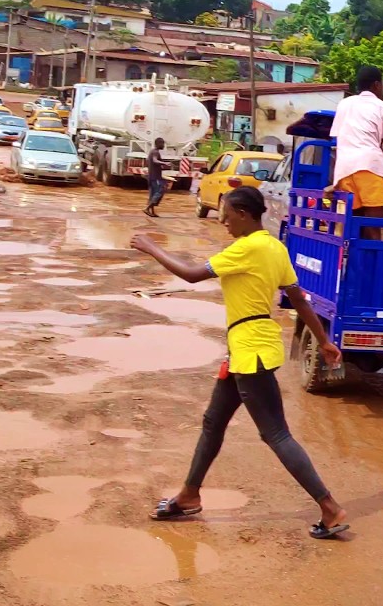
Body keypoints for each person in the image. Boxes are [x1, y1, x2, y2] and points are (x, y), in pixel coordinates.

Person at [130, 187, 350, 538]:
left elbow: (190, 274)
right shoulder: (276, 247)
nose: (223, 223)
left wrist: (151, 246)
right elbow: (298, 298)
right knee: (212, 422)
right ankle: (189, 495)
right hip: (250, 347)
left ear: (245, 215)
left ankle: (330, 508)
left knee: (276, 434)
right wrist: (323, 341)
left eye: (227, 217)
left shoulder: (246, 248)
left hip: (251, 352)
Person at [329, 65, 383, 239]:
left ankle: (348, 265)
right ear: (376, 85)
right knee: (372, 229)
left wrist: (336, 180)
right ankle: (374, 266)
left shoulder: (343, 104)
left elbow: (339, 143)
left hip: (345, 171)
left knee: (352, 228)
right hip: (371, 168)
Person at [145, 137, 167, 218]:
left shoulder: (152, 151)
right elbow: (155, 160)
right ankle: (147, 209)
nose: (163, 145)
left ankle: (152, 212)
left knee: (153, 193)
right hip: (156, 177)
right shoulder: (155, 152)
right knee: (160, 191)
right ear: (158, 144)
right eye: (162, 143)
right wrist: (165, 163)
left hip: (151, 176)